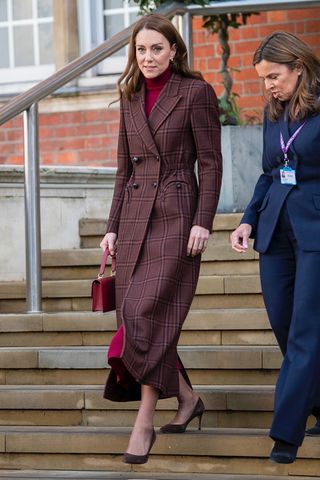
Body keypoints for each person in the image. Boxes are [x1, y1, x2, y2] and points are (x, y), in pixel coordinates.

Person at [100, 13, 222, 465]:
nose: (148, 58)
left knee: (142, 313)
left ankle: (144, 421)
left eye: (156, 48)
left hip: (176, 216)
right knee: (144, 318)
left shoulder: (195, 93)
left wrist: (203, 220)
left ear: (174, 50)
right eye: (140, 50)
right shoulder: (129, 97)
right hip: (133, 220)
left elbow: (210, 163)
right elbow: (122, 170)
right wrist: (111, 228)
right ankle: (187, 399)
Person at [230, 31, 320, 464]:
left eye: (275, 76)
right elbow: (269, 172)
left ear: (298, 67)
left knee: (306, 331)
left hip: (315, 229)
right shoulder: (273, 113)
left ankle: (286, 434)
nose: (268, 84)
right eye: (263, 78)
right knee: (285, 326)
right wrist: (248, 219)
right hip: (275, 231)